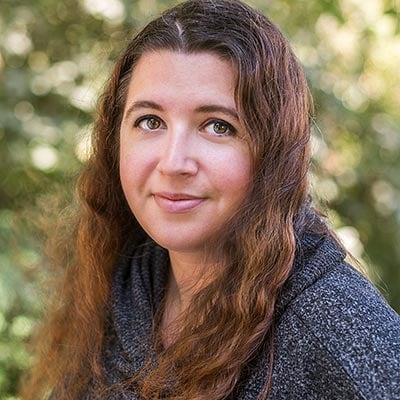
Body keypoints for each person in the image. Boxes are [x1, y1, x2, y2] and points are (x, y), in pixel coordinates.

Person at [21, 0, 400, 399]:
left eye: (217, 126)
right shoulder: (125, 286)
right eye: (150, 121)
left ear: (274, 154)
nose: (174, 162)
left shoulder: (336, 325)